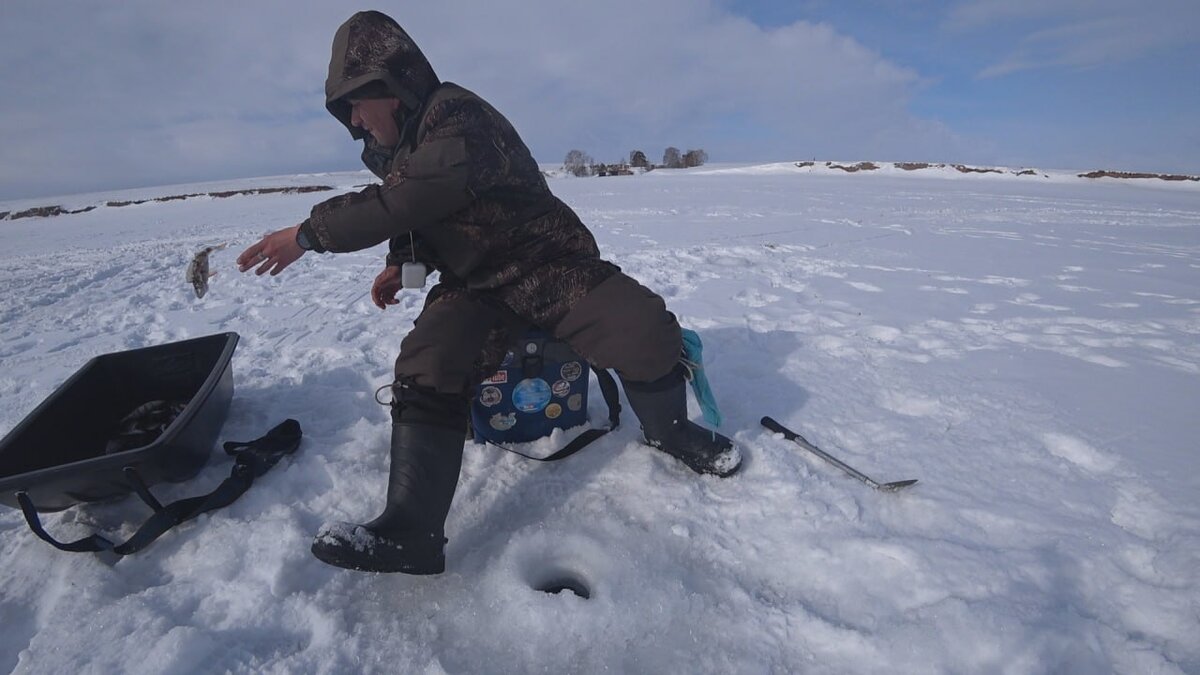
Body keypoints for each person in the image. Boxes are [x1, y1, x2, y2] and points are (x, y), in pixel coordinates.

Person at [237, 10, 740, 575]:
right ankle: (411, 531)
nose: (353, 120)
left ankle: (670, 431)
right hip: (477, 283)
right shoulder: (396, 148)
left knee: (642, 328)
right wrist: (401, 263)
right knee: (428, 360)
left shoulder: (457, 117)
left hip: (548, 263)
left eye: (355, 103)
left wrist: (306, 235)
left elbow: (409, 198)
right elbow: (419, 215)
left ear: (390, 87)